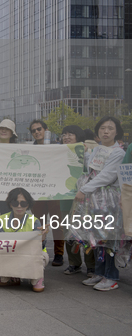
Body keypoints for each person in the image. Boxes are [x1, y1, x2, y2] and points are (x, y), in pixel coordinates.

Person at [71, 117, 126, 291]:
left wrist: (84, 190)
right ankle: (99, 273)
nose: (106, 131)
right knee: (95, 237)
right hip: (94, 199)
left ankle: (111, 276)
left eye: (110, 128)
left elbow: (107, 176)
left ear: (117, 131)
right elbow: (90, 169)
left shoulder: (118, 153)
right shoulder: (97, 150)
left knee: (108, 238)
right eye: (102, 128)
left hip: (108, 201)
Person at [0, 188, 49, 292]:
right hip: (10, 252)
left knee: (41, 256)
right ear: (10, 204)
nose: (19, 206)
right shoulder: (0, 220)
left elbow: (40, 247)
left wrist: (43, 235)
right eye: (15, 202)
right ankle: (13, 276)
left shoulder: (35, 221)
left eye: (23, 203)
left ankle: (37, 277)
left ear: (28, 205)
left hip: (31, 254)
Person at [59, 125, 95, 277]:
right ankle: (74, 263)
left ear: (78, 137)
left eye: (71, 134)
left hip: (84, 199)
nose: (66, 137)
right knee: (69, 231)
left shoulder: (88, 153)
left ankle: (91, 265)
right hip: (66, 197)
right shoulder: (59, 152)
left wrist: (85, 153)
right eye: (64, 134)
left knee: (86, 231)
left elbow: (92, 171)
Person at [28, 119, 63, 266]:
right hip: (37, 192)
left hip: (54, 190)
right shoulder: (30, 150)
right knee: (38, 223)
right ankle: (39, 249)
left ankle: (59, 253)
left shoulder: (57, 147)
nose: (37, 132)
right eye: (34, 130)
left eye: (39, 129)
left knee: (56, 223)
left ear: (45, 130)